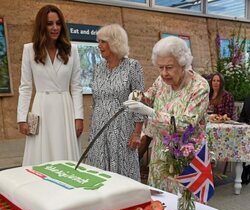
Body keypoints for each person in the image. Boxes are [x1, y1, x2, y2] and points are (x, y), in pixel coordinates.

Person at [124, 36, 210, 192]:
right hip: (160, 155)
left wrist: (149, 112)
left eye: (169, 67)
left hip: (186, 156)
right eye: (160, 67)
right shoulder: (161, 80)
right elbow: (149, 97)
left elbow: (186, 124)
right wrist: (137, 96)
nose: (164, 73)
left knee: (186, 206)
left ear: (183, 64)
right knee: (160, 203)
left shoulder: (199, 86)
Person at [17, 5, 84, 166]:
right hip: (42, 107)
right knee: (41, 156)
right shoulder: (29, 50)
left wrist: (79, 117)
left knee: (65, 154)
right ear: (42, 26)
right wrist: (21, 118)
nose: (55, 28)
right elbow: (25, 87)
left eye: (58, 23)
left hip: (65, 108)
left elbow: (76, 87)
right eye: (49, 23)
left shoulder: (71, 50)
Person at [86, 24, 145, 181]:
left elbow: (139, 101)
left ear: (115, 42)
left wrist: (137, 133)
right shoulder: (98, 68)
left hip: (122, 130)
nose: (99, 46)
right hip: (99, 128)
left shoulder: (133, 66)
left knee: (122, 175)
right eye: (99, 42)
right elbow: (95, 100)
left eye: (103, 42)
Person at [238, 96, 250, 184]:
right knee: (243, 144)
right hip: (247, 130)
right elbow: (242, 117)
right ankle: (244, 174)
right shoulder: (247, 99)